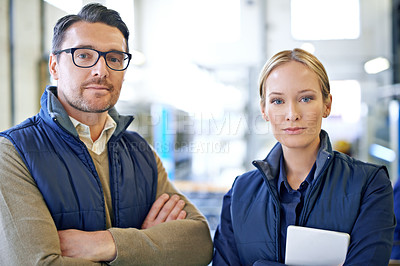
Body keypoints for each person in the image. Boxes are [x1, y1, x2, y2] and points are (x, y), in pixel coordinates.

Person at [0, 3, 213, 265]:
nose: (101, 70)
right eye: (84, 55)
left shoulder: (140, 152)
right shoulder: (13, 152)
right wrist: (150, 249)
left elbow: (200, 243)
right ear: (54, 66)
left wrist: (105, 244)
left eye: (114, 58)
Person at [213, 48, 395, 265]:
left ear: (327, 105)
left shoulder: (370, 185)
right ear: (264, 110)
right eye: (277, 101)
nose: (292, 114)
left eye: (306, 98)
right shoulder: (239, 194)